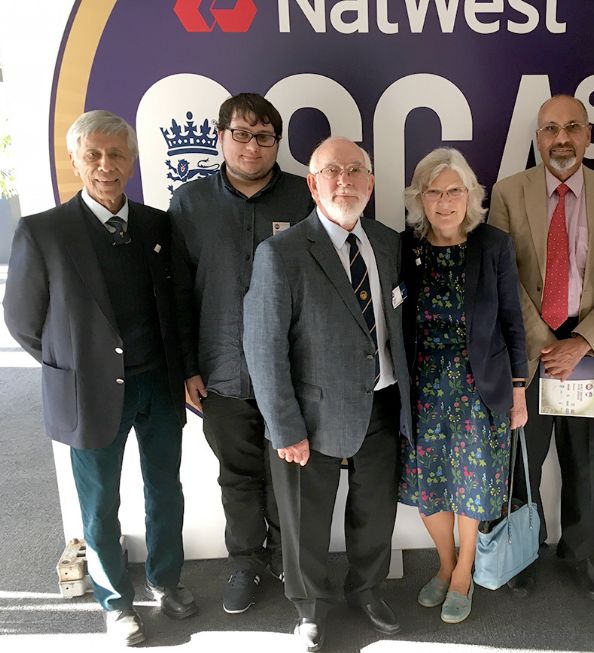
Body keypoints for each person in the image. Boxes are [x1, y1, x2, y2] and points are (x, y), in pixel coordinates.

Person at [4, 110, 195, 646]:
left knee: (166, 491)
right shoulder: (44, 231)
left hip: (158, 386)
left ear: (132, 161)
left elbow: (177, 304)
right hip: (88, 393)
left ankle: (167, 581)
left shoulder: (158, 225)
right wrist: (74, 363)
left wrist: (184, 369)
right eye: (94, 155)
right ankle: (116, 603)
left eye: (116, 154)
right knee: (100, 504)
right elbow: (21, 320)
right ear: (75, 160)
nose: (106, 165)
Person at [242, 137, 412, 651]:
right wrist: (285, 426)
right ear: (313, 185)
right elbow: (263, 347)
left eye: (355, 170)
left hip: (383, 403)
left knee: (375, 510)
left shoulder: (387, 242)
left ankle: (367, 589)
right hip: (310, 415)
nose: (345, 180)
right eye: (331, 171)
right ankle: (308, 608)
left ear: (371, 182)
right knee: (304, 518)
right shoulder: (281, 254)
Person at [170, 93, 314, 614]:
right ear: (220, 136)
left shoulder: (305, 198)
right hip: (221, 373)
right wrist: (187, 365)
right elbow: (178, 293)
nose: (252, 146)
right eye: (241, 134)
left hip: (294, 374)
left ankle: (287, 559)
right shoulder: (189, 204)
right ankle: (246, 562)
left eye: (264, 136)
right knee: (238, 475)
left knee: (290, 472)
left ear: (277, 143)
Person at [489, 95, 594, 599]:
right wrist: (549, 345)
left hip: (587, 352)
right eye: (551, 129)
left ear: (589, 134)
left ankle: (578, 555)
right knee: (523, 463)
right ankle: (525, 553)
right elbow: (502, 279)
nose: (562, 139)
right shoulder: (508, 194)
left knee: (582, 464)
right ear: (538, 137)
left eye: (573, 127)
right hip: (529, 354)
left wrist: (582, 342)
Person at [398, 148, 528, 623]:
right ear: (420, 198)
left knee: (472, 485)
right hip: (423, 388)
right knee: (429, 484)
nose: (445, 200)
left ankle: (464, 571)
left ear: (470, 196)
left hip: (480, 387)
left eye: (454, 190)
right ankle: (446, 564)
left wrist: (518, 388)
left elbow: (513, 321)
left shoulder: (492, 244)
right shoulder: (405, 248)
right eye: (434, 191)